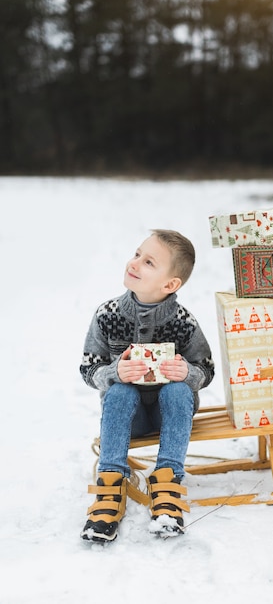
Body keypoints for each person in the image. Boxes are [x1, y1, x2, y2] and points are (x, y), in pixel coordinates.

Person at [80, 229, 215, 542]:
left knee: (178, 389)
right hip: (130, 418)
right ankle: (111, 483)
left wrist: (187, 372)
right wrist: (115, 371)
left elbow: (205, 369)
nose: (135, 263)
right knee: (120, 390)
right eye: (137, 253)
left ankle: (167, 481)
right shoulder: (107, 315)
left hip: (172, 414)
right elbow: (89, 368)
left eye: (149, 262)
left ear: (170, 284)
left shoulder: (184, 322)